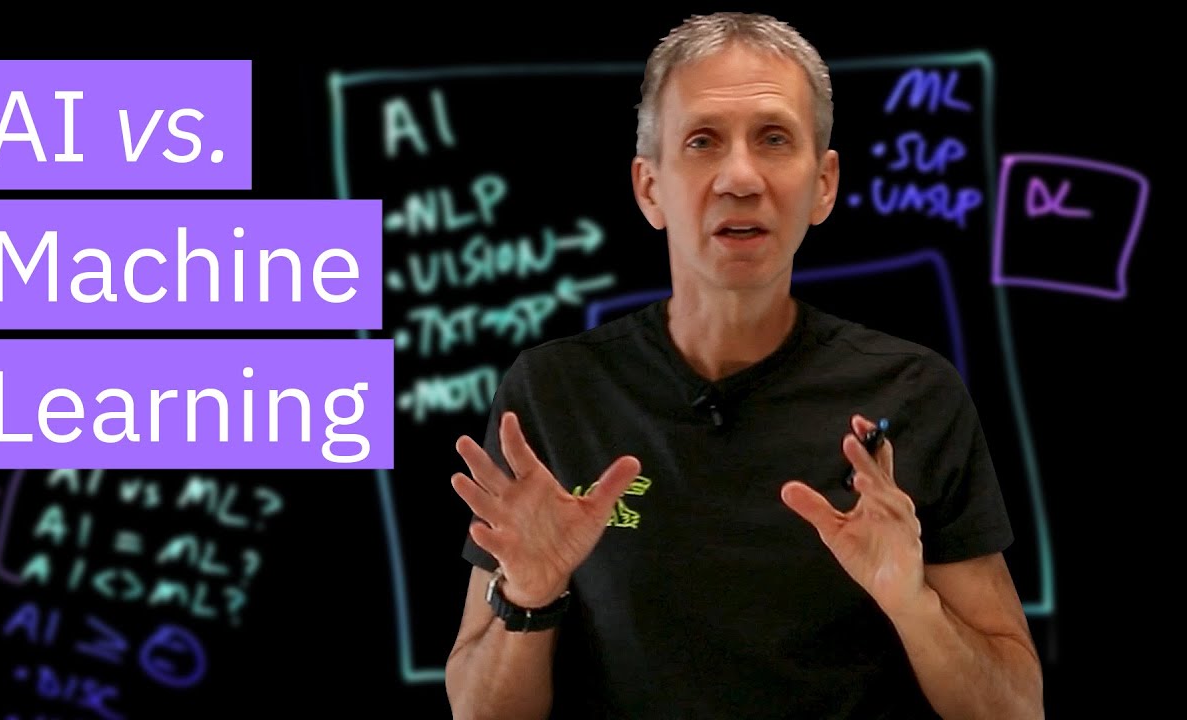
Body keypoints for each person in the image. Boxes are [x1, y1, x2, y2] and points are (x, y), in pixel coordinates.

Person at [443, 11, 1044, 719]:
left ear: (824, 184)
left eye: (774, 139)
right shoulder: (554, 393)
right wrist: (529, 597)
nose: (739, 177)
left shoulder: (914, 393)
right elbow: (479, 712)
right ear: (649, 188)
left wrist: (913, 605)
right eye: (702, 141)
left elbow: (1016, 708)